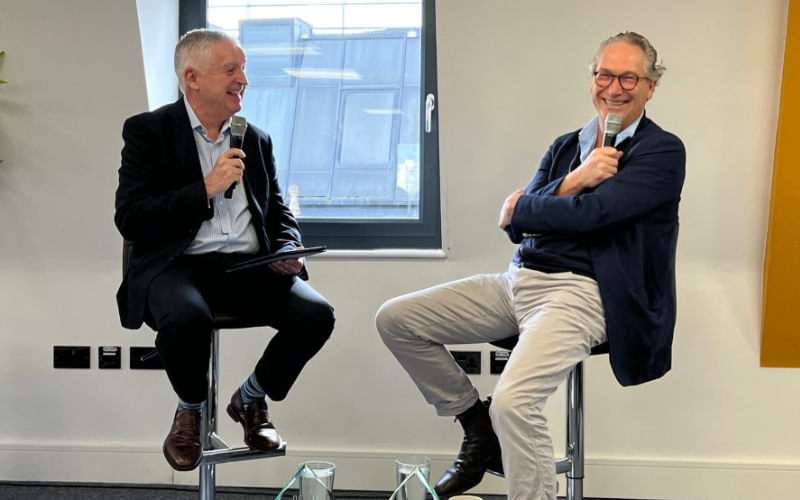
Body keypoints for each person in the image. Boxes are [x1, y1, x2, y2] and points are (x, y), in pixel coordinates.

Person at [376, 32, 685, 500]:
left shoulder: (661, 151)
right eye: (605, 74)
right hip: (519, 280)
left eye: (629, 77)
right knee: (397, 319)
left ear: (650, 86)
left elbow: (590, 215)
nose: (614, 87)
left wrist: (531, 207)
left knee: (515, 402)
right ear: (592, 78)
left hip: (585, 291)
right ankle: (478, 430)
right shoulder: (566, 146)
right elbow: (517, 227)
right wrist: (576, 180)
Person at [114, 29, 335, 472]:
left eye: (244, 69)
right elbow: (131, 216)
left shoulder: (254, 138)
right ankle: (190, 410)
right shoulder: (148, 131)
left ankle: (251, 400)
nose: (244, 80)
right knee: (186, 318)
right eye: (231, 69)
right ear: (192, 78)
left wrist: (288, 248)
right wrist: (205, 188)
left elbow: (277, 210)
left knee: (316, 315)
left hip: (248, 266)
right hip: (178, 266)